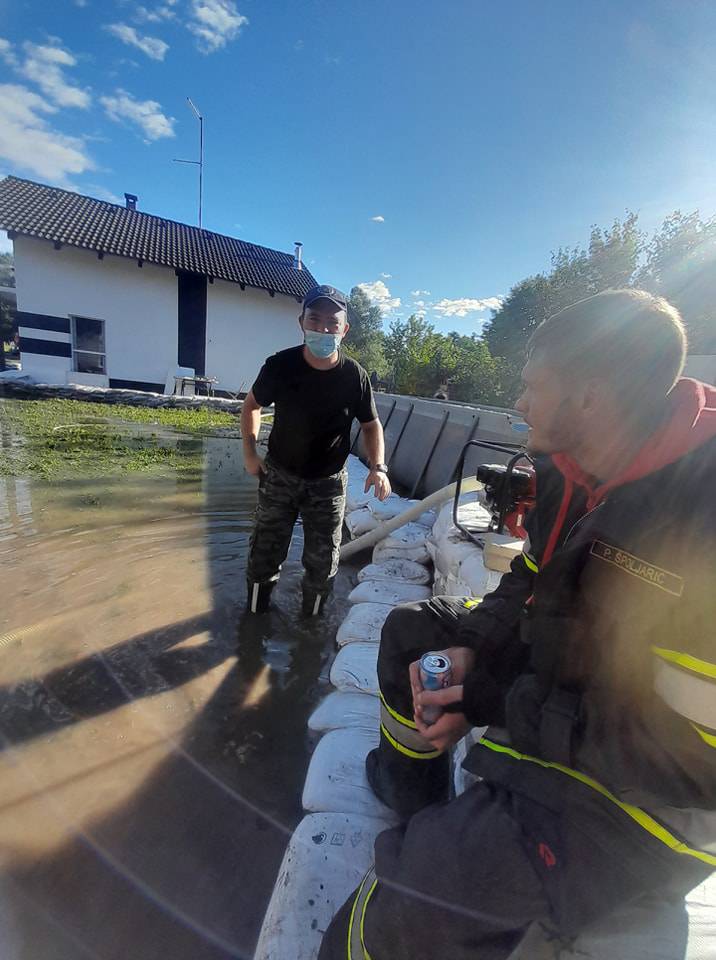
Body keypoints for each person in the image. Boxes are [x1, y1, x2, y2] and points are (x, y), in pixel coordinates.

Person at [319, 289, 716, 959]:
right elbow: (525, 585)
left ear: (590, 397)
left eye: (534, 386)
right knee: (413, 632)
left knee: (405, 906)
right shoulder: (568, 474)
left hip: (642, 801)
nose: (520, 403)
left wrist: (504, 701)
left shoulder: (702, 516)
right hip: (564, 696)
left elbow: (694, 758)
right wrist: (474, 652)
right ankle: (413, 791)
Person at [242, 284, 391, 616]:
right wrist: (250, 453)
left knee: (323, 564)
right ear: (302, 322)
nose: (323, 329)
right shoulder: (281, 366)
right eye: (315, 319)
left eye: (332, 323)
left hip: (328, 484)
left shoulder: (355, 376)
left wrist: (378, 467)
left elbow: (371, 424)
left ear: (345, 330)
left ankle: (309, 629)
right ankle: (254, 621)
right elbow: (252, 405)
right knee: (264, 553)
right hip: (279, 474)